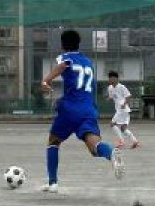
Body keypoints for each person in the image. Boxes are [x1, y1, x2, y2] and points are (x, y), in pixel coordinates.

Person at [38, 29, 124, 193]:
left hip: (70, 108)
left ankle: (53, 183)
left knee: (53, 142)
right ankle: (111, 153)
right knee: (94, 147)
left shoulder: (65, 58)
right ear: (79, 44)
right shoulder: (88, 62)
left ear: (63, 45)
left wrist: (46, 82)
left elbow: (60, 68)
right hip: (88, 109)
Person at [106, 70, 140, 150]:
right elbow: (111, 96)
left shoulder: (121, 87)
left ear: (115, 78)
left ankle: (121, 141)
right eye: (109, 78)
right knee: (123, 128)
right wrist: (108, 98)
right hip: (122, 111)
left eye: (111, 78)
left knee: (112, 124)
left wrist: (124, 104)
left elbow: (128, 96)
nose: (109, 80)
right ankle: (135, 141)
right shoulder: (110, 88)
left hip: (122, 110)